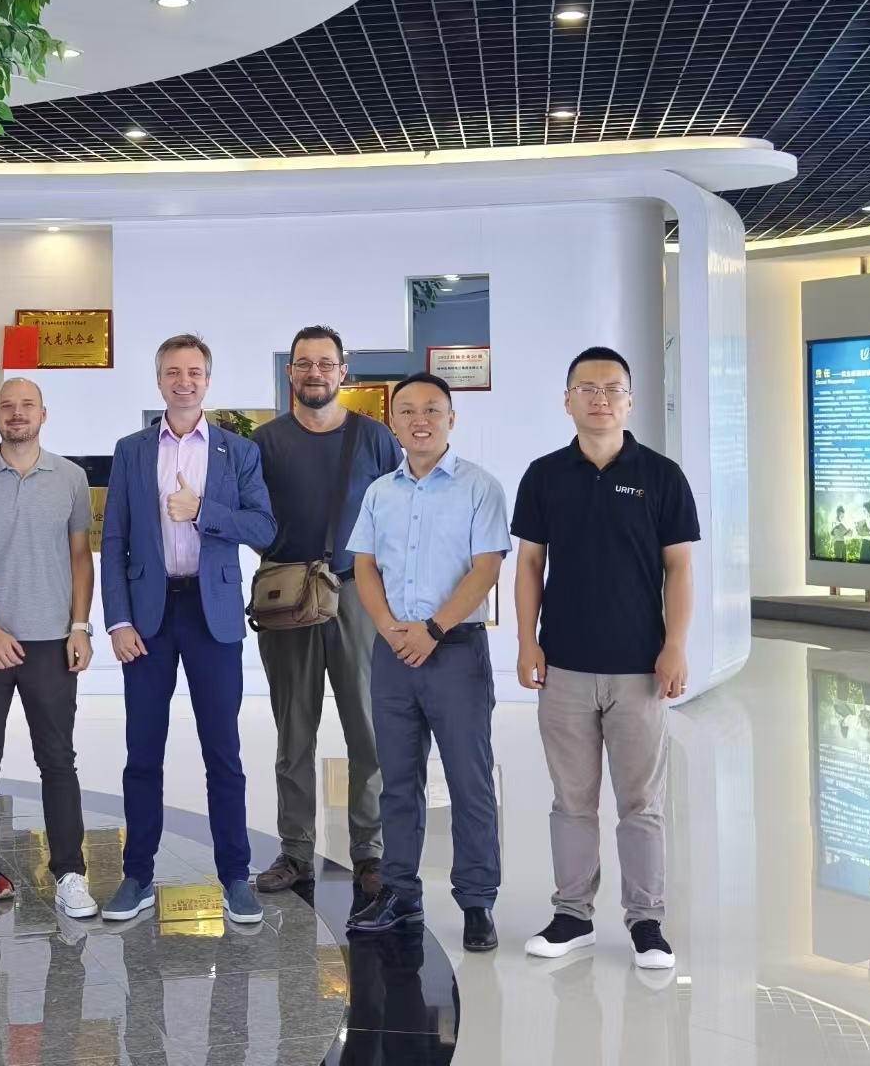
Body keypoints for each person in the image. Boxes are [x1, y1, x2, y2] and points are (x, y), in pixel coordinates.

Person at [510, 346, 697, 970]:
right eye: (586, 388)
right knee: (572, 800)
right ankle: (572, 916)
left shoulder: (662, 476)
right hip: (563, 667)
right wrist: (527, 640)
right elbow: (529, 564)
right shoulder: (544, 475)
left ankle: (647, 922)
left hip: (639, 670)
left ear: (630, 401)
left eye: (612, 388)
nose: (600, 398)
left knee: (641, 802)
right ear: (567, 400)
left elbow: (679, 569)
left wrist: (675, 645)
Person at [97, 334, 277, 925]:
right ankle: (137, 876)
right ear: (159, 380)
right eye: (173, 372)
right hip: (148, 618)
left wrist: (201, 511)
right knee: (142, 752)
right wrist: (118, 619)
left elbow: (264, 528)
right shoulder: (131, 450)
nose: (184, 381)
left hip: (211, 614)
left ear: (208, 379)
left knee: (223, 751)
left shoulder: (236, 451)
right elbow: (115, 541)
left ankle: (235, 877)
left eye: (194, 372)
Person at [343, 372, 509, 952]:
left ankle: (477, 902)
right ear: (392, 421)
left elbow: (487, 569)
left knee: (469, 781)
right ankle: (400, 894)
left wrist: (433, 630)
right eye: (408, 410)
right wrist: (391, 629)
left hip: (455, 651)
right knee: (397, 781)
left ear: (451, 419)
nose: (420, 420)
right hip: (393, 652)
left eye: (432, 409)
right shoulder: (379, 492)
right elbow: (364, 566)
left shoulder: (479, 487)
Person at [0, 377, 99, 923]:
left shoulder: (71, 478)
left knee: (58, 760)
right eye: (7, 406)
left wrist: (80, 626)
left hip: (52, 641)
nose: (17, 413)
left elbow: (80, 558)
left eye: (27, 405)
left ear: (43, 414)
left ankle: (70, 874)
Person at [248, 325, 401, 900]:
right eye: (304, 363)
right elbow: (251, 519)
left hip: (359, 594)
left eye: (325, 363)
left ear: (343, 372)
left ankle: (371, 853)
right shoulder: (265, 443)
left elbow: (395, 517)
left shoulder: (375, 438)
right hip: (289, 600)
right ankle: (295, 851)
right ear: (290, 372)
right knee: (294, 733)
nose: (315, 372)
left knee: (368, 730)